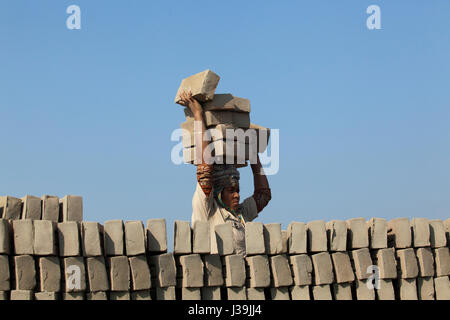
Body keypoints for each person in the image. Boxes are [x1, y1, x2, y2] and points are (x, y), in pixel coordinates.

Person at [178, 90, 272, 256]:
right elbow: (205, 170)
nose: (237, 195)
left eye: (237, 190)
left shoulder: (240, 215)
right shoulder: (208, 210)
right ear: (217, 191)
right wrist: (198, 115)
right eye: (231, 191)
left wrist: (252, 152)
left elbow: (263, 196)